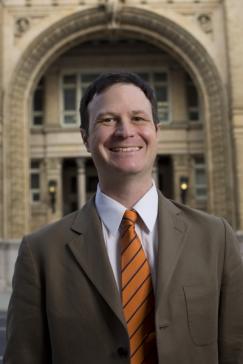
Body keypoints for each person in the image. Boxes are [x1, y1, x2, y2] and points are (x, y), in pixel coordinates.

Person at [4, 72, 243, 364]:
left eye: (139, 118)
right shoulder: (41, 253)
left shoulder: (216, 239)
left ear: (157, 130)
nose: (125, 131)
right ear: (85, 138)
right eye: (107, 120)